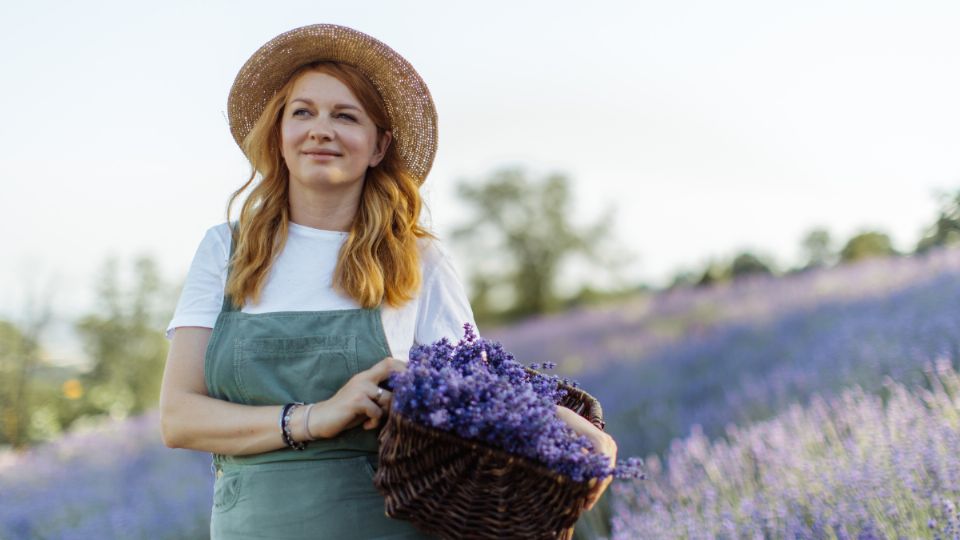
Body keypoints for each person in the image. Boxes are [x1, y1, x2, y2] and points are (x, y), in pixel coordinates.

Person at [158, 23, 616, 540]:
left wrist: (583, 437)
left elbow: (476, 401)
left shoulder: (417, 258)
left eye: (345, 116)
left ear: (379, 146)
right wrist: (316, 416)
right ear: (278, 134)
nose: (320, 130)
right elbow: (179, 418)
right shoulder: (226, 251)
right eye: (302, 112)